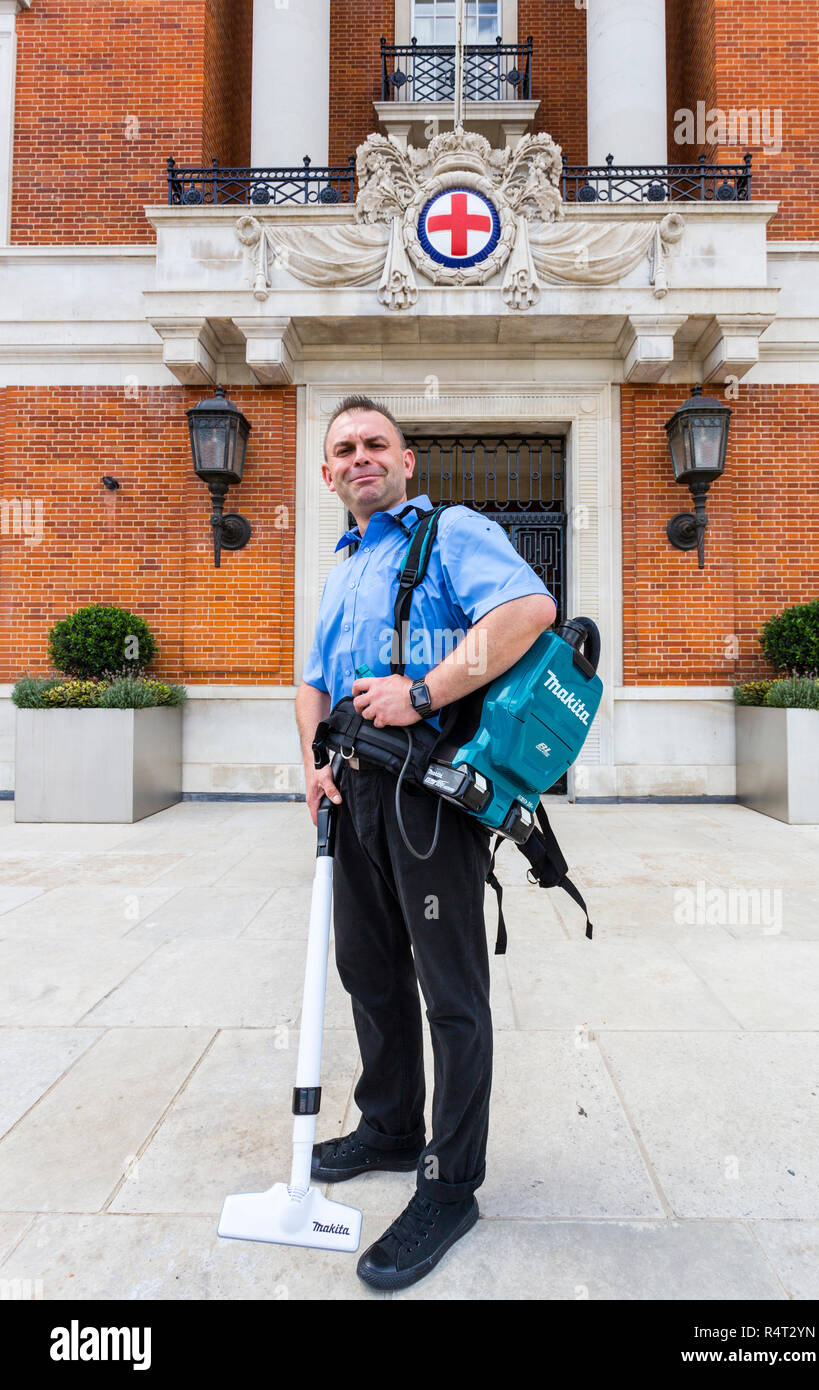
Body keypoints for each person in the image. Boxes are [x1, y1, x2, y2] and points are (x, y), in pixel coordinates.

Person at [295, 394, 556, 1291]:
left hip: (427, 797)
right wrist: (312, 766)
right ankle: (391, 1125)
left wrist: (427, 690)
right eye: (343, 450)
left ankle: (450, 1184)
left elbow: (528, 611)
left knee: (451, 993)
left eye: (376, 444)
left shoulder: (449, 530)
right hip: (353, 793)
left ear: (406, 463)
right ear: (327, 474)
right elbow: (313, 683)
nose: (360, 457)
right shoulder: (342, 564)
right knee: (368, 972)